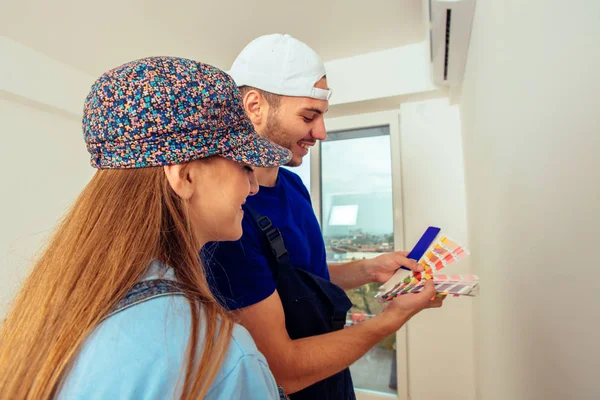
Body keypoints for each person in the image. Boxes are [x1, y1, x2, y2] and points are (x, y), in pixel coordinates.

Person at [0, 56, 293, 400]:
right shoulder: (220, 359)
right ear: (185, 175)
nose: (253, 187)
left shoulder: (48, 309)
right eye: (244, 166)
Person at [205, 34, 445, 399]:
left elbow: (300, 278)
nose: (321, 132)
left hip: (332, 380)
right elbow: (281, 370)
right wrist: (391, 320)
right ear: (254, 106)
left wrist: (368, 270)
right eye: (309, 116)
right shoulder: (229, 218)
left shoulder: (293, 186)